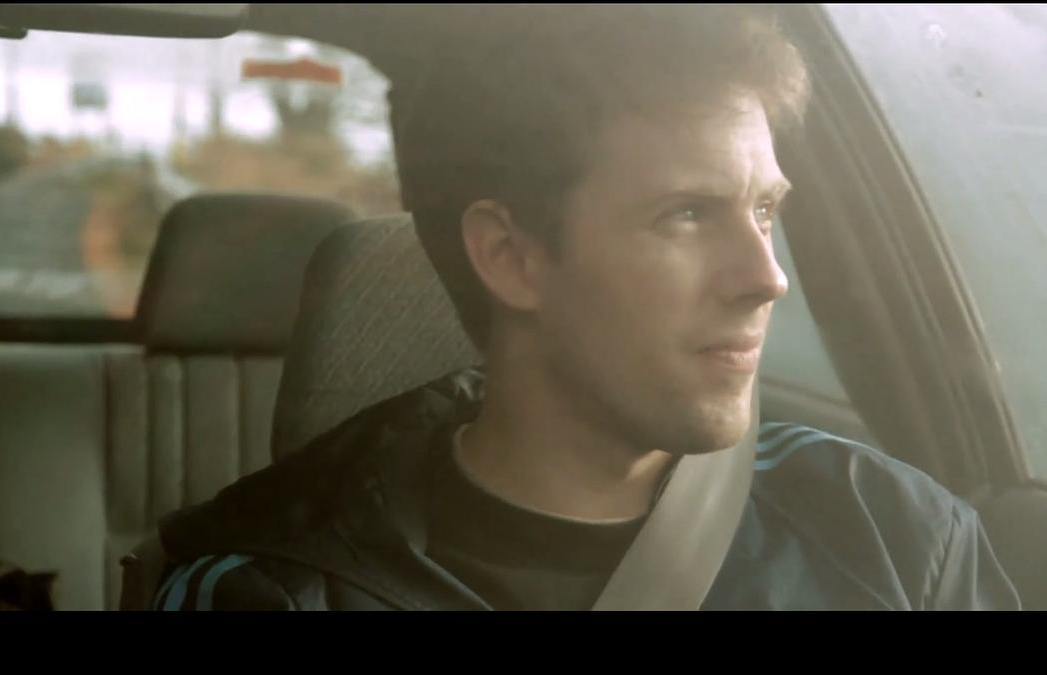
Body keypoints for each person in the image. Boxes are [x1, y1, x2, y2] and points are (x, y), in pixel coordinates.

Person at [146, 5, 1019, 610]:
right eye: (686, 214)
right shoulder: (271, 592)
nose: (766, 277)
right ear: (511, 256)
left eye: (764, 210)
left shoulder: (893, 533)